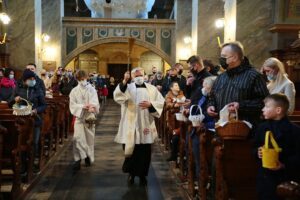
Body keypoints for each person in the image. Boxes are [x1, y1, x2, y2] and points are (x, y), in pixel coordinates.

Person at [114, 67, 164, 186]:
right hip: (130, 123)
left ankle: (142, 175)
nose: (138, 78)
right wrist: (124, 81)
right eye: (136, 76)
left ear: (144, 75)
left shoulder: (151, 89)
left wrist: (151, 105)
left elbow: (160, 102)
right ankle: (131, 174)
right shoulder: (127, 87)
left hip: (145, 122)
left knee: (144, 151)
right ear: (132, 77)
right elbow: (118, 96)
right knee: (130, 149)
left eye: (140, 75)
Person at [207, 42, 269, 129]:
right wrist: (210, 106)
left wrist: (241, 106)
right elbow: (212, 97)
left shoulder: (253, 76)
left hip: (244, 131)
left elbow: (264, 102)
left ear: (235, 57)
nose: (221, 59)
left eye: (224, 56)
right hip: (222, 128)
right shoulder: (221, 77)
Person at [254, 93, 300, 200]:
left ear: (278, 110)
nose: (263, 109)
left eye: (267, 106)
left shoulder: (295, 130)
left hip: (287, 177)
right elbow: (254, 146)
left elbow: (298, 155)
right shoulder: (261, 127)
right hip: (265, 178)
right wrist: (257, 152)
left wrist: (284, 165)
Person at [9, 69, 47, 174]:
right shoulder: (18, 89)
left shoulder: (37, 90)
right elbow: (9, 103)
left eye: (34, 79)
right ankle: (23, 165)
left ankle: (32, 163)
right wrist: (14, 100)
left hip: (35, 121)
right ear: (25, 80)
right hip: (21, 121)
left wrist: (36, 110)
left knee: (33, 142)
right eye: (30, 79)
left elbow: (44, 105)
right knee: (22, 143)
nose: (33, 80)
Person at [69, 70, 100, 173]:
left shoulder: (92, 90)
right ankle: (77, 160)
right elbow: (72, 105)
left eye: (85, 79)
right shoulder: (74, 91)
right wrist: (83, 107)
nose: (83, 81)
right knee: (77, 138)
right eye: (81, 79)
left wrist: (92, 106)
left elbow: (95, 101)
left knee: (89, 138)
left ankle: (87, 156)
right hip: (79, 117)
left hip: (90, 117)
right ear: (78, 79)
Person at [165, 82, 186, 161]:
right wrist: (174, 105)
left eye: (178, 85)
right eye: (176, 85)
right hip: (173, 118)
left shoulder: (181, 93)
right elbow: (167, 105)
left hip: (182, 116)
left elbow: (185, 101)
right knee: (174, 135)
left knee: (179, 134)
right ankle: (173, 154)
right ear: (171, 88)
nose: (178, 86)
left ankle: (179, 153)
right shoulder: (169, 95)